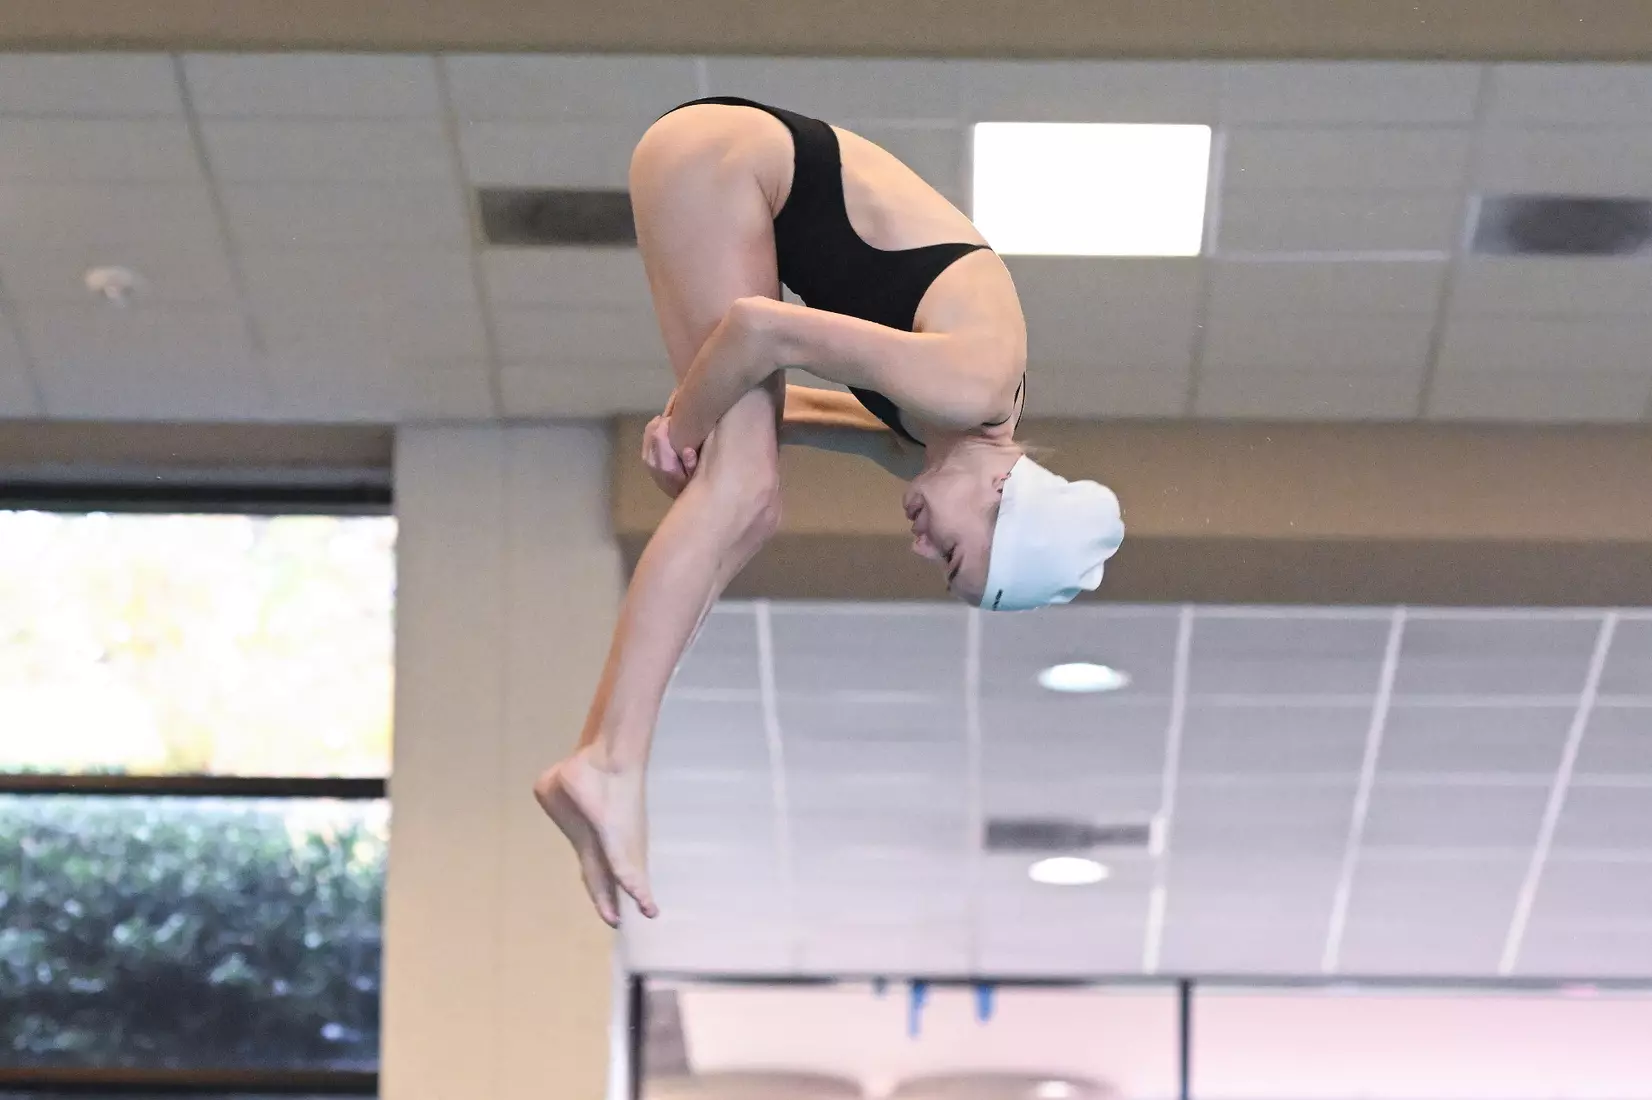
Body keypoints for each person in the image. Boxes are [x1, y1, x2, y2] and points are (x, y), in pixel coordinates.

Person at [534, 97, 1125, 926]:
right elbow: (758, 331)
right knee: (741, 489)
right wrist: (688, 428)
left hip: (726, 176)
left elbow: (786, 413)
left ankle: (602, 753)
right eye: (954, 557)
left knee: (748, 499)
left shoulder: (936, 434)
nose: (924, 551)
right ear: (1001, 496)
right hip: (727, 161)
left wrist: (702, 436)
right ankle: (610, 762)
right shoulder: (973, 384)